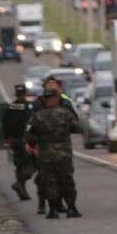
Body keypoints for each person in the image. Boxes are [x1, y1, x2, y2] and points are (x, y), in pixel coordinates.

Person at [25, 89, 82, 218]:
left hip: (46, 154)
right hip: (64, 153)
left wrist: (34, 145)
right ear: (57, 98)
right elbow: (78, 128)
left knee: (50, 182)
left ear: (44, 99)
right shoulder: (66, 113)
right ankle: (71, 209)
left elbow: (29, 136)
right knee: (67, 181)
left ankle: (53, 210)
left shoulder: (37, 116)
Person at [2, 84, 36, 202]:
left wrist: (6, 139)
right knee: (32, 164)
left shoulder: (9, 107)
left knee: (19, 165)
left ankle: (22, 190)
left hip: (13, 140)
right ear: (26, 93)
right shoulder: (28, 106)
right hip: (24, 140)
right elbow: (30, 123)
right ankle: (19, 183)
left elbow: (4, 124)